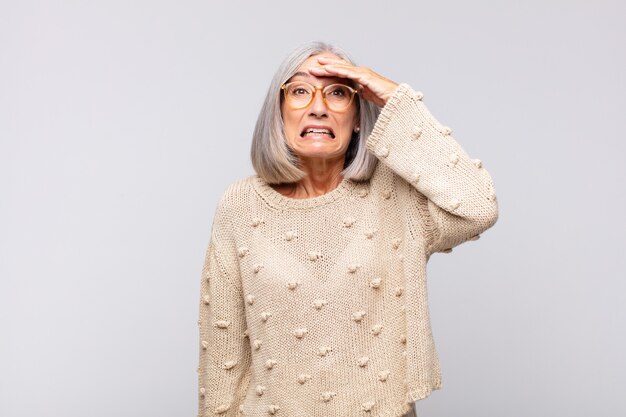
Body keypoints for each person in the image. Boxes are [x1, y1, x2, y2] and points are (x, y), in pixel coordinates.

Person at [197, 41, 498, 417]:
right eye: (300, 91)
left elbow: (478, 206)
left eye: (338, 93)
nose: (318, 107)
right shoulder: (239, 205)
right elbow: (222, 356)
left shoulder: (394, 193)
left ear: (358, 117)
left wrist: (395, 100)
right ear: (279, 111)